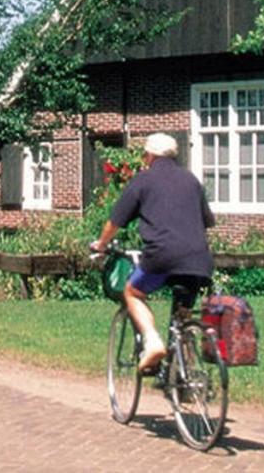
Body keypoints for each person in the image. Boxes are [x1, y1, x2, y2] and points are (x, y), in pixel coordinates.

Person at [91, 133, 215, 372]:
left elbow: (115, 222)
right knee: (183, 317)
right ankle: (186, 378)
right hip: (199, 259)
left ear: (149, 156)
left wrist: (102, 244)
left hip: (162, 256)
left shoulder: (143, 180)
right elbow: (207, 221)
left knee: (132, 292)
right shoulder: (191, 180)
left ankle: (152, 341)